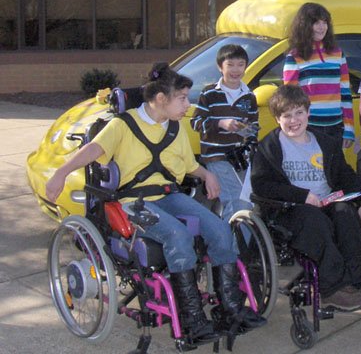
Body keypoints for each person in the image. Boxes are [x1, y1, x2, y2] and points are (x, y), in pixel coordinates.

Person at [45, 63, 264, 342]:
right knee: (178, 235)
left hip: (170, 195)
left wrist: (207, 173)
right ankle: (192, 319)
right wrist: (60, 174)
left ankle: (231, 308)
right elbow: (92, 150)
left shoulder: (175, 128)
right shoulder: (121, 126)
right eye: (182, 98)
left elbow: (186, 164)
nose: (188, 104)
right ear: (161, 99)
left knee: (220, 229)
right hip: (132, 201)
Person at [251, 84, 361, 310]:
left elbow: (347, 177)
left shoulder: (325, 143)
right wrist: (302, 196)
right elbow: (261, 185)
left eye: (299, 113)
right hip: (289, 209)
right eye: (287, 115)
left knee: (345, 215)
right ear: (277, 119)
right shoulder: (269, 147)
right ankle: (334, 289)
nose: (294, 120)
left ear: (308, 113)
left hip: (327, 202)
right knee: (315, 220)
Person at [191, 44, 257, 223]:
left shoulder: (249, 96)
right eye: (230, 65)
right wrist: (221, 123)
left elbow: (253, 129)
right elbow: (196, 122)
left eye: (240, 64)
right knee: (237, 202)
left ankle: (242, 243)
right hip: (217, 157)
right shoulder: (210, 93)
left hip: (240, 159)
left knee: (249, 200)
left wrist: (245, 131)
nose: (236, 70)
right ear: (220, 67)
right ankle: (234, 247)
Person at [283, 2, 354, 149]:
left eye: (325, 22)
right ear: (304, 25)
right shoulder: (295, 56)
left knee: (334, 171)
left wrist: (349, 129)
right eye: (316, 22)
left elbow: (345, 93)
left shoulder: (338, 53)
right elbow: (290, 98)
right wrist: (295, 128)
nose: (322, 27)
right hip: (308, 127)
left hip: (336, 126)